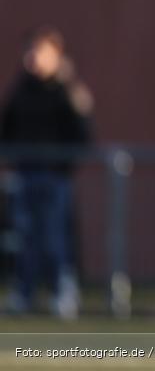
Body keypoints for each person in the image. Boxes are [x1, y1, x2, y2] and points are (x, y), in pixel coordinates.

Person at [0, 27, 93, 318]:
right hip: (25, 174)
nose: (34, 58)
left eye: (41, 52)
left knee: (55, 238)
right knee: (25, 237)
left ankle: (62, 292)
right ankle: (23, 293)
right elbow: (7, 128)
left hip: (54, 177)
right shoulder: (20, 90)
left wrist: (61, 163)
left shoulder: (67, 91)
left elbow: (81, 135)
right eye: (31, 51)